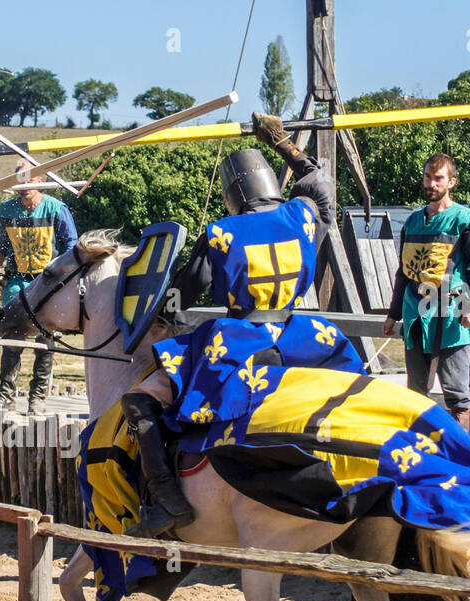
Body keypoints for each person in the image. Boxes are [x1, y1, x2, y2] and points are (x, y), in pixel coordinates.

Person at [122, 112, 337, 536]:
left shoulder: (223, 232)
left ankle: (168, 502)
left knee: (140, 400)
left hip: (241, 340)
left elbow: (183, 293)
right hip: (302, 337)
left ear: (233, 193)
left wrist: (164, 319)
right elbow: (321, 181)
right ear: (272, 185)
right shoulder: (304, 216)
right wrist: (283, 144)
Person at [381, 153, 470, 432]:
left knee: (456, 394)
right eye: (428, 177)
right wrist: (392, 315)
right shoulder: (413, 222)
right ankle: (420, 454)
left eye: (438, 178)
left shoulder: (464, 219)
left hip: (452, 314)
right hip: (416, 314)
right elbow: (403, 272)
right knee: (415, 392)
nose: (431, 183)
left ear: (451, 182)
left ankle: (460, 455)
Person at [0, 161, 78, 416]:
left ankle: (37, 398)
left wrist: (66, 280)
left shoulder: (56, 209)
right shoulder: (7, 210)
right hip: (18, 278)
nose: (24, 186)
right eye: (20, 180)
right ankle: (5, 395)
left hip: (47, 280)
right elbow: (1, 246)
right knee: (12, 334)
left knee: (45, 336)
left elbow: (71, 246)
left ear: (40, 181)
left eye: (29, 180)